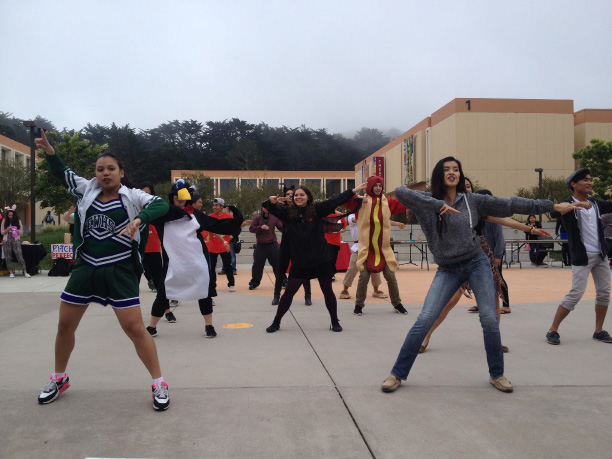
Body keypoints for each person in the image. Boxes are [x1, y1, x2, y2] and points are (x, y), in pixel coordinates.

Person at [380, 156, 584, 394]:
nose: (452, 173)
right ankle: (397, 374)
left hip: (476, 262)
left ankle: (497, 374)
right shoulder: (426, 202)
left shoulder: (472, 201)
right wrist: (438, 206)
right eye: (446, 169)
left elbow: (510, 204)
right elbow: (402, 192)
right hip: (447, 268)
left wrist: (552, 206)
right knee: (424, 319)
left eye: (456, 169)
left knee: (489, 318)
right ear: (439, 174)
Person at [34, 130, 171, 410]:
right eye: (100, 169)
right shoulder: (87, 190)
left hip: (119, 269)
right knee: (64, 326)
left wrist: (139, 220)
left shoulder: (132, 196)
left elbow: (160, 205)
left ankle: (159, 382)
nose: (105, 173)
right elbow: (64, 173)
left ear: (121, 172)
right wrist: (50, 152)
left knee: (135, 328)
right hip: (86, 268)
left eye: (111, 169)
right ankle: (59, 377)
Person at [419, 186, 551, 353]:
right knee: (449, 301)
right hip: (462, 256)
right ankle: (426, 336)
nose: (466, 188)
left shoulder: (479, 207)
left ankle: (494, 341)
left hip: (483, 255)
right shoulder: (455, 206)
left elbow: (506, 221)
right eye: (464, 186)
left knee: (493, 299)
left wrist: (530, 229)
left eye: (468, 186)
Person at [264, 183, 366, 333]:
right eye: (296, 195)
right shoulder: (287, 212)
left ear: (308, 197)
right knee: (289, 292)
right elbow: (269, 207)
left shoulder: (317, 210)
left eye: (301, 195)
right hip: (300, 261)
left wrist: (353, 191)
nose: (298, 197)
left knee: (327, 291)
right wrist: (270, 201)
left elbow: (335, 200)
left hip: (320, 259)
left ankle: (334, 320)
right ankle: (276, 321)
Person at [146, 181, 243, 339]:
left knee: (204, 294)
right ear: (172, 197)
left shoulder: (195, 215)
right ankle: (151, 327)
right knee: (162, 295)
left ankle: (209, 326)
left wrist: (236, 220)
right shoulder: (163, 215)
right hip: (173, 265)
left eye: (183, 195)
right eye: (176, 195)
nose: (179, 198)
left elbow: (216, 225)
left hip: (196, 263)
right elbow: (145, 214)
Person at [546, 168, 612, 345]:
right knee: (575, 294)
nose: (589, 182)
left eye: (590, 180)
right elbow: (552, 213)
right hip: (582, 257)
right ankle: (553, 330)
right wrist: (575, 205)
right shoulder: (567, 203)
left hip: (600, 255)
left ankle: (599, 330)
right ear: (573, 184)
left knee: (605, 293)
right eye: (585, 180)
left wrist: (587, 204)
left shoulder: (595, 203)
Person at [344, 176, 408, 316]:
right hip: (366, 249)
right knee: (363, 278)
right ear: (370, 186)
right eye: (375, 185)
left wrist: (413, 196)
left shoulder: (387, 203)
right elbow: (345, 201)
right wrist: (356, 193)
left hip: (383, 250)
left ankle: (397, 303)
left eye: (380, 185)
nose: (378, 188)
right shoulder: (361, 201)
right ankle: (359, 305)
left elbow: (405, 204)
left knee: (391, 277)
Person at [338, 213, 404, 299]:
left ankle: (376, 290)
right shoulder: (352, 215)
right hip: (359, 246)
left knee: (375, 268)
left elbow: (383, 221)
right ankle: (345, 290)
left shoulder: (372, 213)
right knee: (352, 268)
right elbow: (356, 220)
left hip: (372, 246)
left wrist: (398, 224)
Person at [272, 186, 312, 306]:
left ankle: (308, 296)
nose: (291, 196)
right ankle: (276, 295)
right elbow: (273, 209)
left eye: (292, 194)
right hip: (287, 243)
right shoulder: (284, 209)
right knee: (281, 270)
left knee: (305, 270)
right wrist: (278, 202)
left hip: (301, 244)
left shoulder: (302, 209)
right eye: (288, 194)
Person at [249, 206, 283, 290]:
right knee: (257, 265)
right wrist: (260, 227)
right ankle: (254, 282)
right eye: (265, 207)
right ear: (262, 208)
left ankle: (282, 281)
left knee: (277, 263)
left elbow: (281, 227)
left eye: (268, 207)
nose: (266, 208)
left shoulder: (274, 217)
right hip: (261, 245)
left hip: (272, 244)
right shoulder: (257, 218)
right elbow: (251, 229)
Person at [208, 198, 236, 292]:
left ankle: (231, 284)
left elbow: (234, 228)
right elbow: (211, 230)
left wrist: (232, 235)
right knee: (212, 268)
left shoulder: (229, 217)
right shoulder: (210, 217)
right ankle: (212, 285)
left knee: (228, 266)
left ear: (222, 206)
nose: (214, 207)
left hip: (225, 247)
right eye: (213, 205)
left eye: (216, 205)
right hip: (212, 246)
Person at [1, 206, 31, 278]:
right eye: (9, 215)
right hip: (6, 239)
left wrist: (16, 230)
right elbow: (2, 232)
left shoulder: (18, 221)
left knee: (19, 254)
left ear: (14, 215)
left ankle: (25, 271)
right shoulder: (5, 220)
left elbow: (21, 231)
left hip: (15, 238)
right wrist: (7, 230)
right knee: (8, 255)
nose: (10, 216)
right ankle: (11, 272)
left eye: (12, 215)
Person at [324, 208, 348, 281]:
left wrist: (338, 229)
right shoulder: (324, 216)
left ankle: (332, 273)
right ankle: (329, 274)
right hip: (326, 241)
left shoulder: (340, 216)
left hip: (336, 242)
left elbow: (344, 229)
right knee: (328, 258)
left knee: (334, 258)